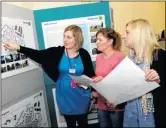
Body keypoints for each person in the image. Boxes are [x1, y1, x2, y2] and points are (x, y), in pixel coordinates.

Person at [3, 25, 95, 128]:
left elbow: (90, 74)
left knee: (83, 123)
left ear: (77, 38)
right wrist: (19, 48)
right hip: (64, 96)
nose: (65, 40)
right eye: (64, 36)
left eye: (68, 37)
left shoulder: (84, 54)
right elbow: (38, 55)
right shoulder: (57, 52)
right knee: (70, 124)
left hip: (81, 95)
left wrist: (93, 91)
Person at [123, 19, 166, 127]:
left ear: (139, 34)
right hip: (131, 112)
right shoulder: (129, 59)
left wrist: (158, 80)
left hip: (152, 115)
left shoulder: (159, 55)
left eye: (127, 32)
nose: (123, 36)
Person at [92, 28, 126, 128]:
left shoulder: (120, 57)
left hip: (115, 104)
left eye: (100, 40)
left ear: (110, 41)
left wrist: (104, 80)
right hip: (101, 103)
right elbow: (100, 76)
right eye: (96, 40)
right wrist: (87, 81)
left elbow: (124, 82)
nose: (97, 42)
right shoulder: (98, 58)